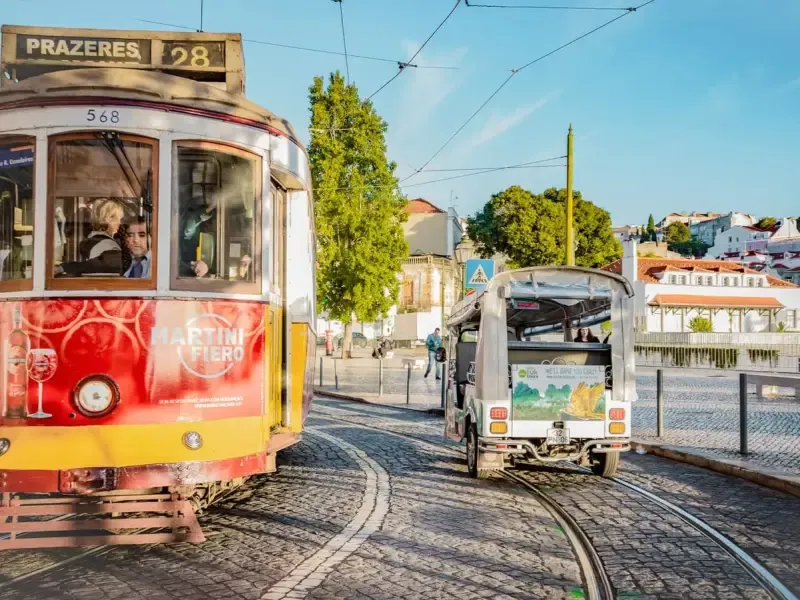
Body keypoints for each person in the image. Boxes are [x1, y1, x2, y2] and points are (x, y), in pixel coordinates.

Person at [57, 199, 125, 276]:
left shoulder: (92, 241)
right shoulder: (109, 245)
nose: (120, 223)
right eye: (116, 219)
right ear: (106, 219)